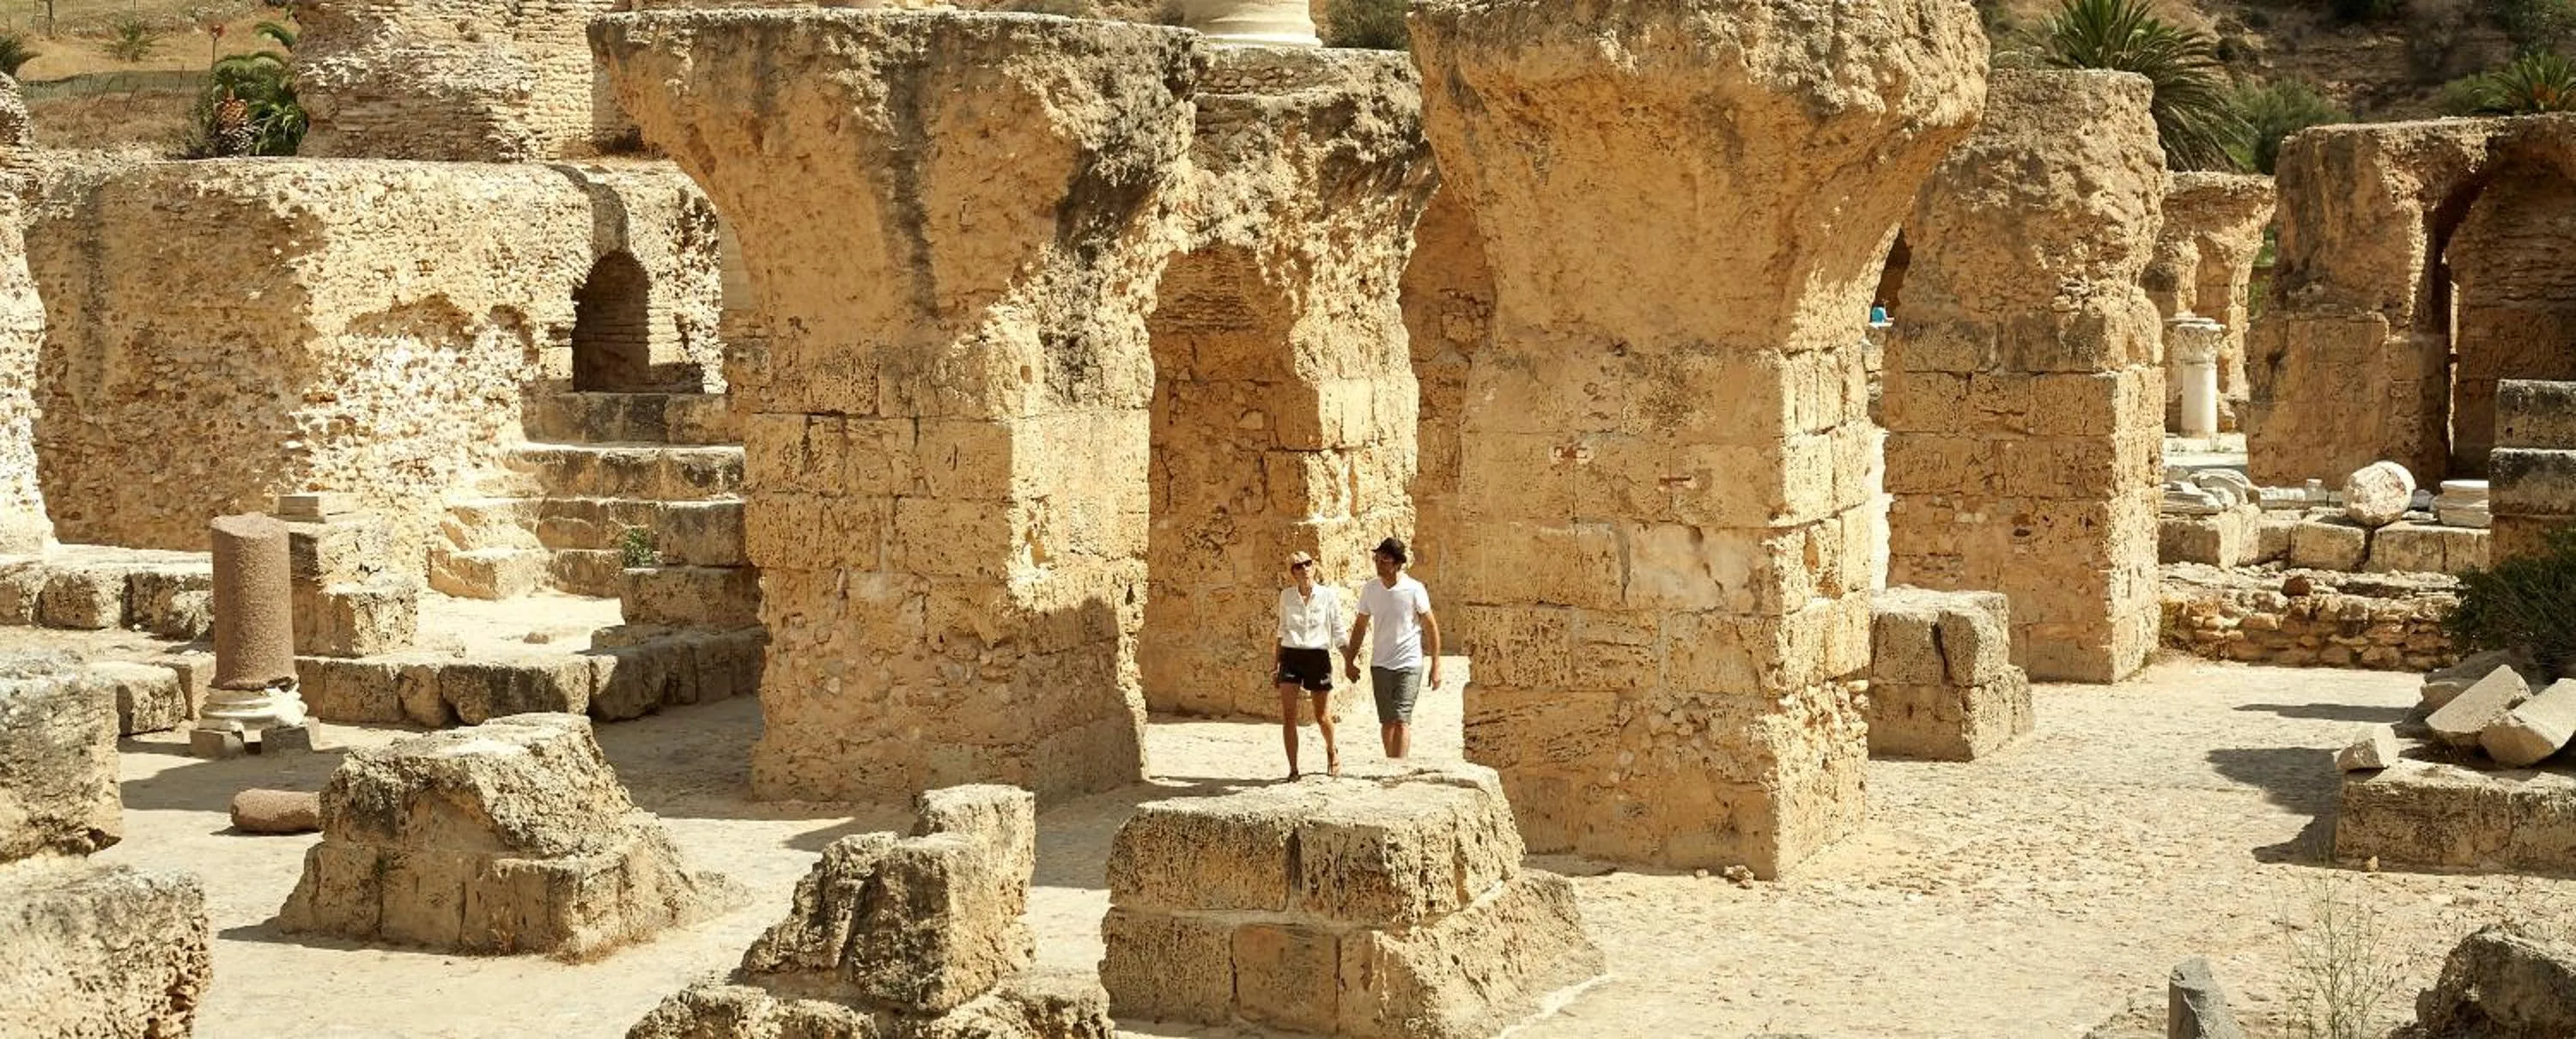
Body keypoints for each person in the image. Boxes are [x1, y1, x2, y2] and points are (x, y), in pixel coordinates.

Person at [1345, 537, 1440, 760]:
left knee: (1402, 720)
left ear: (1397, 564)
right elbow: (1360, 626)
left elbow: (1430, 626)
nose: (1379, 564)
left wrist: (1436, 665)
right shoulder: (1370, 590)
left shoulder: (1414, 589)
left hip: (1410, 663)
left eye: (1384, 560)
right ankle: (1391, 764)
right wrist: (1350, 661)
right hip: (1380, 664)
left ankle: (1401, 767)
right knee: (1387, 722)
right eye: (1377, 559)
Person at [1273, 550, 1342, 780]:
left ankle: (1332, 750)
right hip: (1291, 656)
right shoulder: (1286, 596)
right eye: (1298, 566)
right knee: (1289, 716)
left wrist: (1349, 658)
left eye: (1308, 564)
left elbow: (1338, 629)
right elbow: (1282, 631)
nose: (1304, 569)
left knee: (1322, 716)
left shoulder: (1327, 595)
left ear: (1314, 567)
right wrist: (1276, 665)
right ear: (1292, 572)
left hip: (1317, 656)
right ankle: (1293, 769)